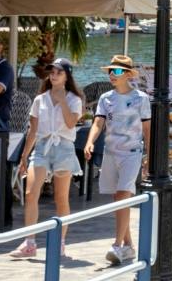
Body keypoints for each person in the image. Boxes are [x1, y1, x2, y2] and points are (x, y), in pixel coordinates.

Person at [83, 55, 152, 267]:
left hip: (132, 152)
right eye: (110, 71)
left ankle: (116, 244)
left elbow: (147, 129)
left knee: (123, 194)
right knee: (118, 198)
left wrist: (149, 154)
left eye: (118, 71)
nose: (113, 75)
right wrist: (90, 141)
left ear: (129, 74)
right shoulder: (106, 98)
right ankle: (129, 245)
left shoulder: (141, 98)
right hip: (111, 152)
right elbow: (98, 123)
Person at [13, 59, 83, 260]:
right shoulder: (39, 99)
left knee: (60, 197)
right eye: (52, 72)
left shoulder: (73, 99)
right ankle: (29, 241)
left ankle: (60, 242)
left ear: (67, 76)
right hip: (43, 147)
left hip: (63, 147)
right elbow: (33, 130)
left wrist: (61, 101)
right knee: (30, 192)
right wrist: (25, 155)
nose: (54, 75)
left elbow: (71, 124)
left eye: (59, 72)